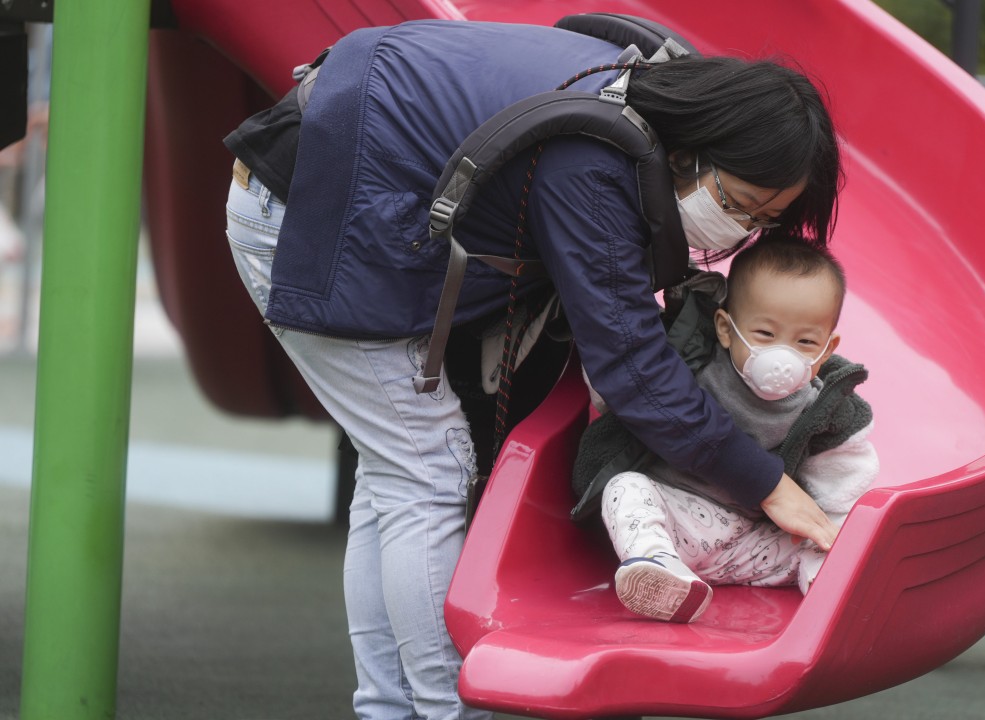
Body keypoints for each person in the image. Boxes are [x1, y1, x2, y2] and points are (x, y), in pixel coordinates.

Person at [221, 17, 841, 720]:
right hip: (309, 202)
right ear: (693, 153)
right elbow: (632, 365)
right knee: (427, 469)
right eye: (736, 205)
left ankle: (391, 708)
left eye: (764, 221)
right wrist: (767, 484)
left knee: (397, 476)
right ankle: (442, 709)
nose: (739, 231)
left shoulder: (646, 88)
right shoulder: (594, 160)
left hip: (339, 165)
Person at [583, 240, 879, 623]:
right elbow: (623, 387)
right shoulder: (689, 362)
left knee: (823, 540)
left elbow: (843, 482)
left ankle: (830, 592)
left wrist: (831, 539)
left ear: (826, 349)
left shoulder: (824, 409)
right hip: (676, 517)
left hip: (750, 544)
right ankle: (659, 567)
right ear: (725, 328)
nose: (783, 357)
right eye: (765, 335)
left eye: (805, 341)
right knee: (626, 488)